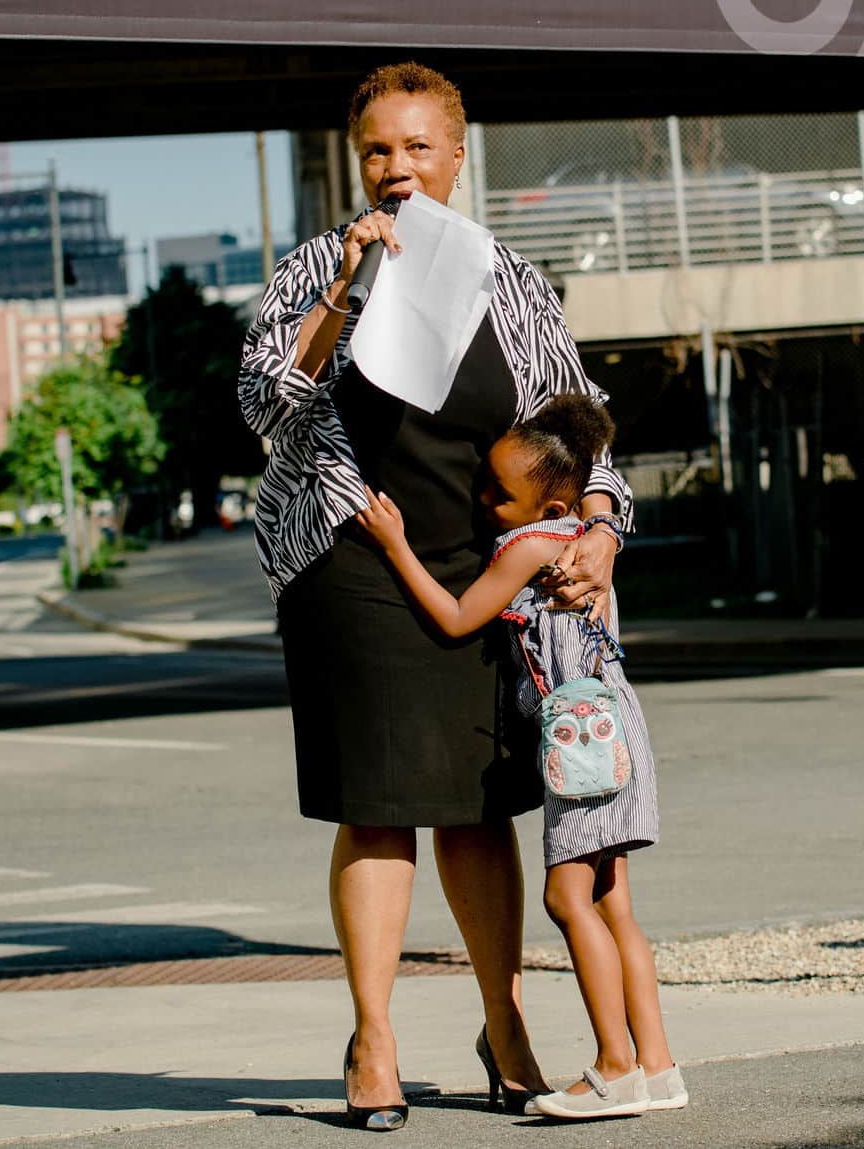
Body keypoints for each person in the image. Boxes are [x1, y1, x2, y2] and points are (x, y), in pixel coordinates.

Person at [238, 62, 631, 1130]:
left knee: (476, 808)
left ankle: (503, 1024)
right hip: (352, 554)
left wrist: (595, 528)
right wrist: (343, 292)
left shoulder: (512, 279)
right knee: (378, 803)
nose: (397, 167)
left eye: (418, 147)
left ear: (457, 157)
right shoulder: (322, 264)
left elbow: (579, 424)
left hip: (483, 564)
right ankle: (372, 1039)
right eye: (378, 149)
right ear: (355, 161)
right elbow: (267, 403)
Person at [354, 394, 684, 1121]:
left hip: (581, 740)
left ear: (552, 500)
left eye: (500, 493)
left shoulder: (531, 548)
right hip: (619, 726)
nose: (484, 503)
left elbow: (455, 617)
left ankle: (614, 1066)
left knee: (566, 898)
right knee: (612, 901)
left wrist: (395, 542)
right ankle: (658, 1064)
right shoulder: (587, 545)